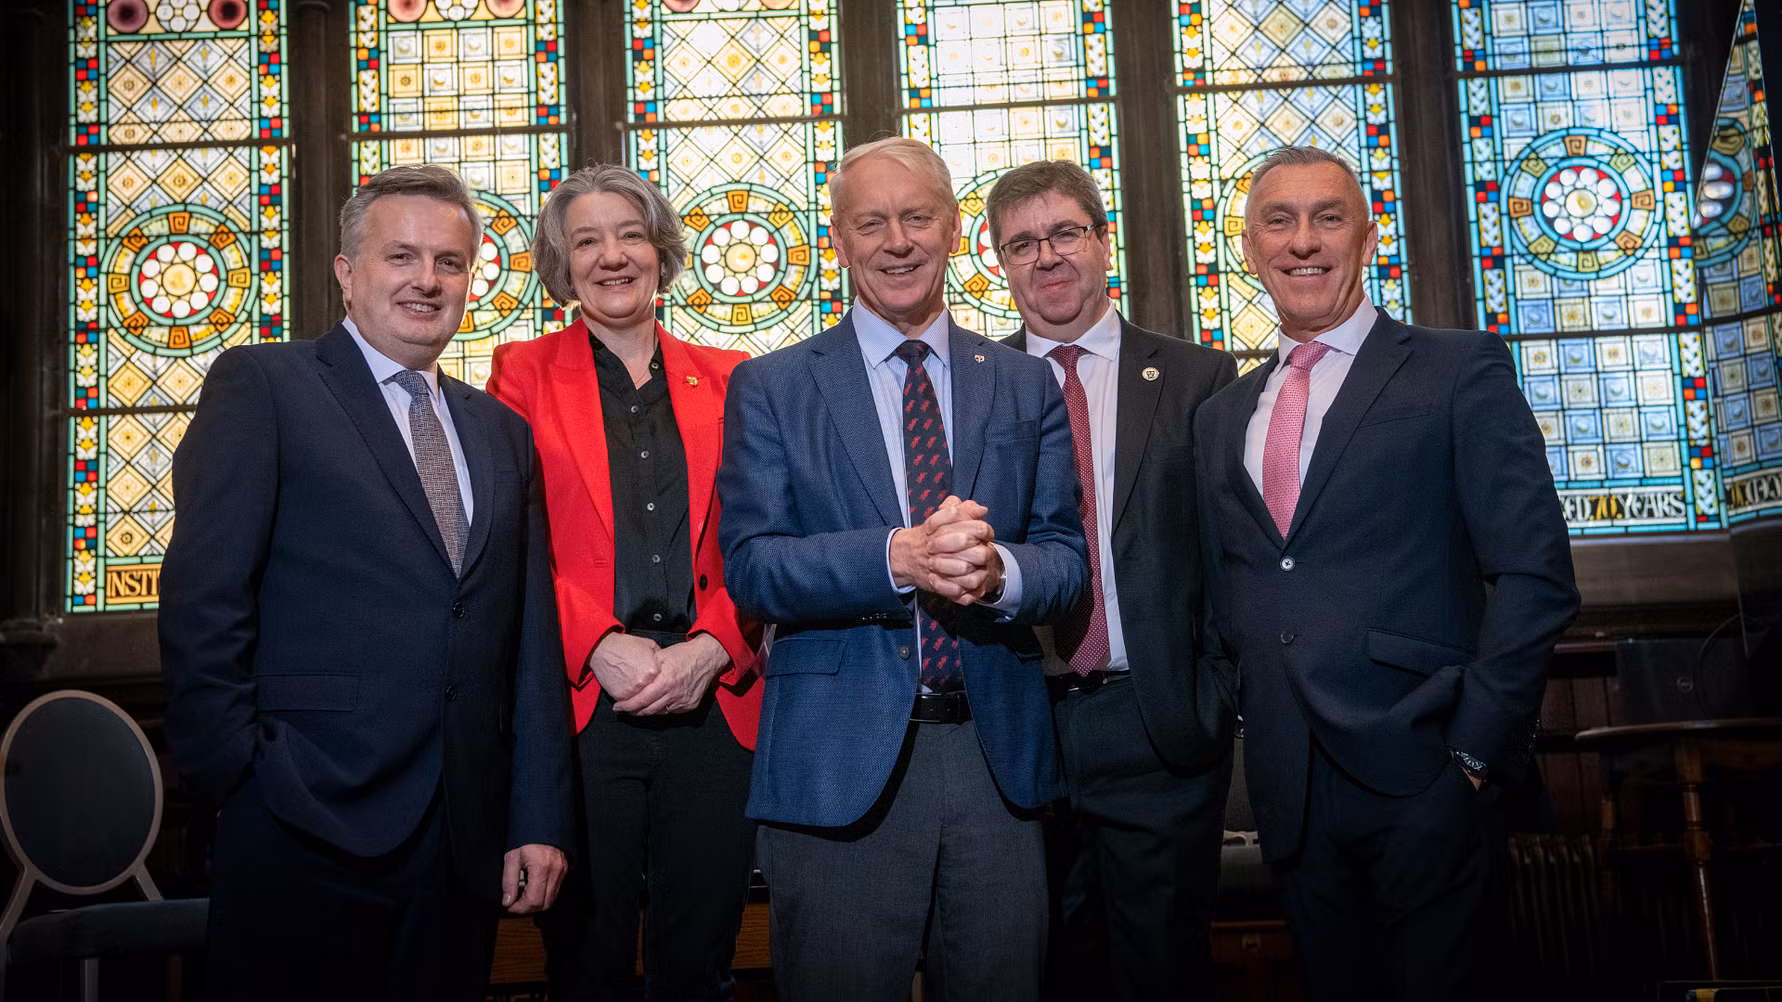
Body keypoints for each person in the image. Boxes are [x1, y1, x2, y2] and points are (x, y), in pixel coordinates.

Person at [158, 164, 573, 1002]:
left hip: (461, 839)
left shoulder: (500, 433)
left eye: (450, 263)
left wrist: (535, 816)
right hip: (301, 819)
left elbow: (527, 643)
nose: (427, 280)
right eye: (402, 257)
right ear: (348, 274)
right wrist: (242, 779)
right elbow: (204, 601)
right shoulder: (266, 387)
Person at [1193, 145, 1580, 1002]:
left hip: (1428, 771)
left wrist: (1477, 753)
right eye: (1279, 221)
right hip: (1289, 793)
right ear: (1250, 247)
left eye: (1328, 217)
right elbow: (1233, 593)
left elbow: (1537, 574)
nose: (1303, 241)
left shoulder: (1457, 369)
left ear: (1368, 236)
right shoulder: (1223, 416)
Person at [716, 137, 1089, 1002]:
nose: (897, 241)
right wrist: (897, 557)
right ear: (839, 242)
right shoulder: (772, 386)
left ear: (953, 229)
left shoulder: (1025, 384)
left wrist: (999, 575)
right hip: (838, 760)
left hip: (993, 757)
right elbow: (754, 569)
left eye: (917, 217)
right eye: (870, 223)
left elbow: (1065, 561)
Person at [485, 164, 762, 1001]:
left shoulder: (733, 376)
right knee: (587, 966)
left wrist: (712, 647)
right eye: (588, 241)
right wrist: (597, 643)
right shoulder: (521, 373)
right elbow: (513, 543)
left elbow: (764, 537)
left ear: (661, 252)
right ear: (561, 267)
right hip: (585, 705)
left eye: (630, 234)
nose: (612, 256)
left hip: (714, 702)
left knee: (699, 963)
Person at [989, 159, 1237, 1001]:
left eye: (1065, 233)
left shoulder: (1199, 378)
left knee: (1161, 975)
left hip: (1158, 723)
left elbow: (1229, 553)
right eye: (1022, 243)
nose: (1047, 257)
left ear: (1104, 241)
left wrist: (1213, 692)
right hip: (1020, 725)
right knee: (1038, 971)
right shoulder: (973, 385)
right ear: (998, 262)